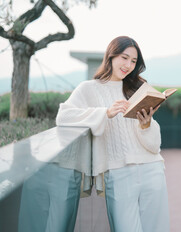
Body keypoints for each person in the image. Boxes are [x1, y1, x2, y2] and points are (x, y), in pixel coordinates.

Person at [56, 36, 170, 232]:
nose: (128, 65)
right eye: (124, 58)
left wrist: (146, 124)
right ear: (111, 56)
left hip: (152, 168)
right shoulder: (88, 88)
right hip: (117, 173)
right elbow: (63, 117)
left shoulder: (138, 89)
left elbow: (154, 146)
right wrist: (105, 113)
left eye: (134, 61)